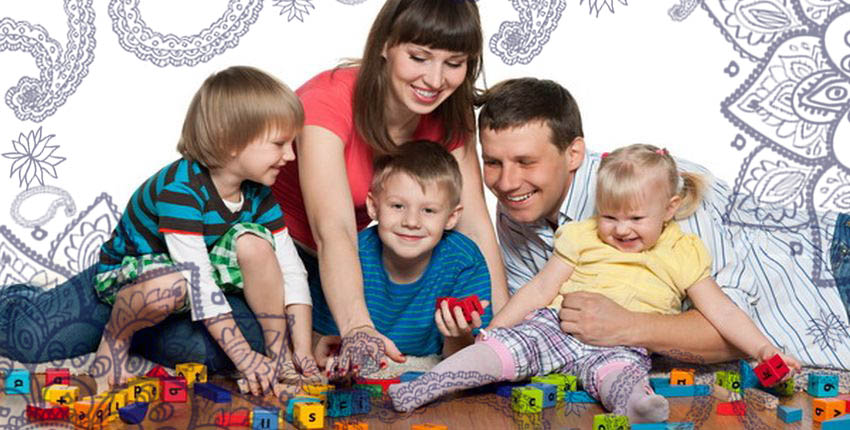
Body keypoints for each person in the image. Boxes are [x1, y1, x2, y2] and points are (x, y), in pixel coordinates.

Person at [387, 144, 801, 421]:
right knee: (504, 351)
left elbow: (722, 310)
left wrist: (763, 350)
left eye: (635, 218)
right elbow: (540, 289)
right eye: (610, 216)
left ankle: (640, 407)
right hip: (556, 327)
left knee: (620, 377)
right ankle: (430, 384)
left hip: (623, 345)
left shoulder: (682, 251)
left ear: (669, 208)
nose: (621, 229)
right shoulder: (583, 236)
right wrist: (496, 329)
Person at [272, 0, 508, 373]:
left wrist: (504, 328)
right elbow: (333, 229)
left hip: (359, 257)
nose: (435, 80)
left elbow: (474, 225)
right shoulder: (326, 100)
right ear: (385, 44)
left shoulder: (452, 112)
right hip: (284, 253)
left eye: (453, 64)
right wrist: (357, 327)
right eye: (419, 57)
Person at [476, 78, 759, 363]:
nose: (507, 183)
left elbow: (735, 332)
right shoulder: (518, 206)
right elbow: (531, 313)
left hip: (780, 315)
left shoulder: (656, 189)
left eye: (526, 162)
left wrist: (629, 327)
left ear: (573, 154)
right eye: (492, 162)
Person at [90, 66, 315, 396]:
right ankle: (115, 340)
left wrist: (302, 351)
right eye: (279, 143)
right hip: (139, 273)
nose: (290, 156)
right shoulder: (180, 189)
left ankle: (277, 354)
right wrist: (243, 357)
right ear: (230, 141)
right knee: (171, 286)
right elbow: (199, 282)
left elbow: (292, 271)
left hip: (198, 268)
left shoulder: (259, 193)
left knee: (256, 244)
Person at [312, 141, 493, 373]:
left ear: (451, 217)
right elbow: (319, 336)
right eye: (398, 206)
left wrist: (458, 334)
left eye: (428, 210)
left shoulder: (464, 261)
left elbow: (468, 358)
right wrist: (320, 344)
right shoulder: (349, 257)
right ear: (373, 206)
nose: (411, 222)